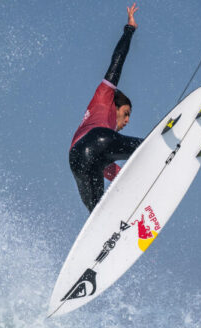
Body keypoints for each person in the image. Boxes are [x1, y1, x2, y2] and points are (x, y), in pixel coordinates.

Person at [69, 3, 143, 213]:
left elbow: (118, 177)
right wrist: (129, 30)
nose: (127, 121)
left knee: (97, 212)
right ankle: (175, 143)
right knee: (146, 148)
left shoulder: (107, 149)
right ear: (115, 105)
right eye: (125, 113)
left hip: (77, 160)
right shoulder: (105, 95)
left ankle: (106, 232)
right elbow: (117, 62)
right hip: (97, 140)